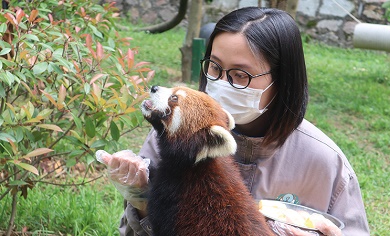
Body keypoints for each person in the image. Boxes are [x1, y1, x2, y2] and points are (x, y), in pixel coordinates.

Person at [100, 7, 370, 236]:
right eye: (215, 68)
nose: (222, 83)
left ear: (282, 81)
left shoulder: (324, 162)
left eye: (241, 75)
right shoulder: (180, 132)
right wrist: (139, 197)